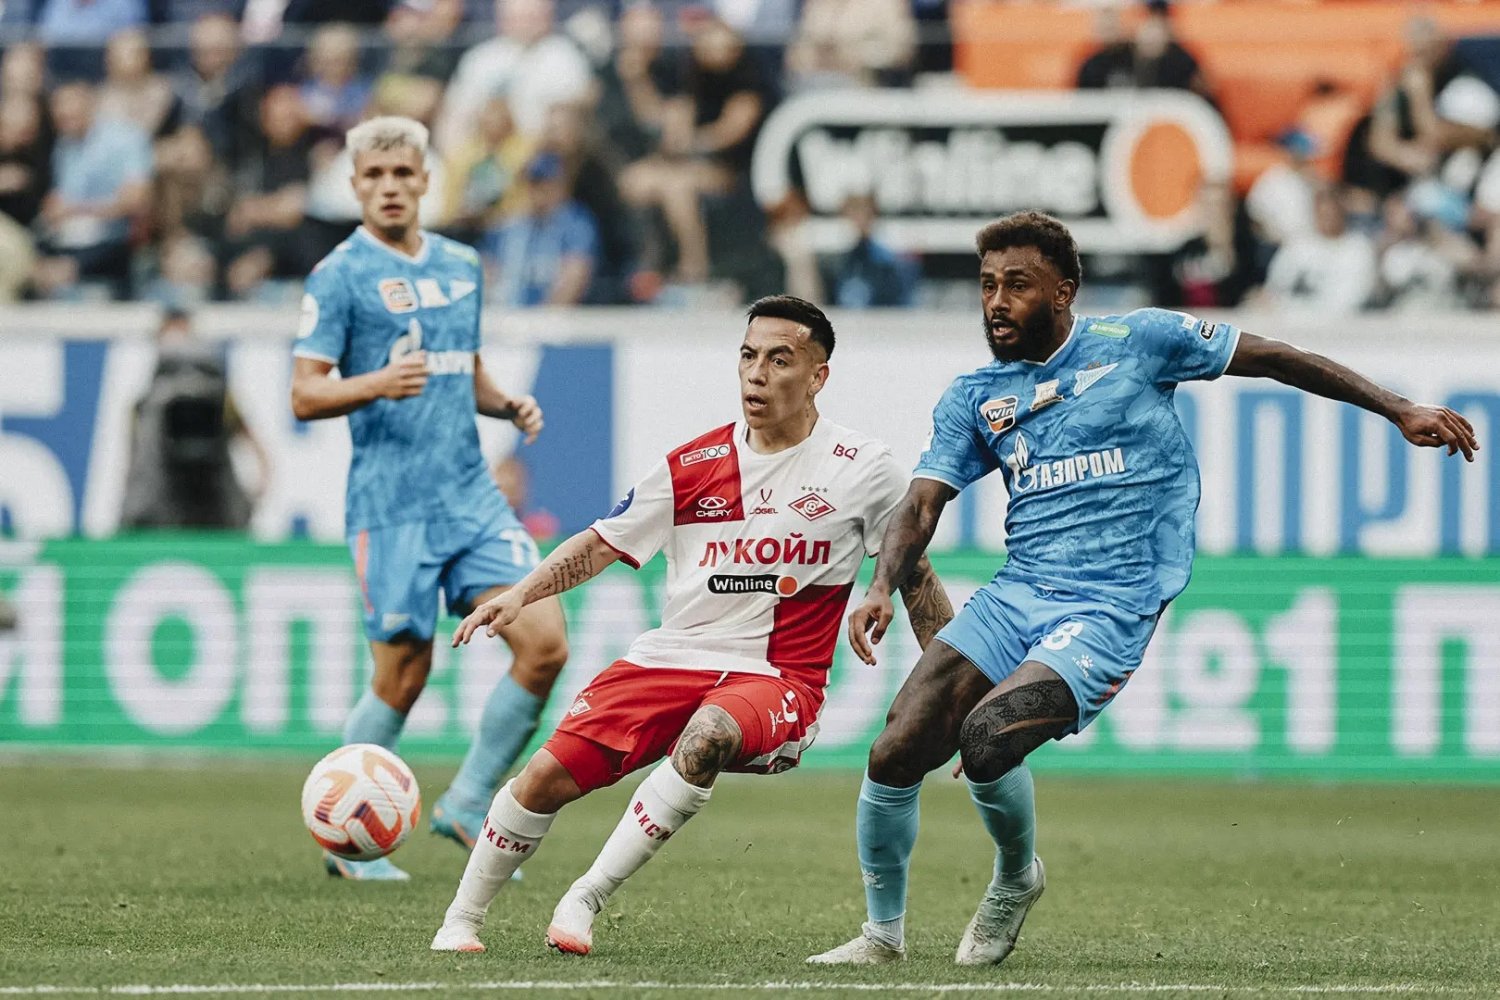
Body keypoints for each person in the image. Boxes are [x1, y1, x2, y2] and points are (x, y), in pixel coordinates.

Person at [807, 211, 1478, 967]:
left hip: (1111, 601)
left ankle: (1015, 877)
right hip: (1019, 590)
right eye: (987, 285)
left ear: (1064, 292)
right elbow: (922, 502)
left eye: (1017, 285)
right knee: (895, 748)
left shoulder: (1139, 340)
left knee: (989, 736)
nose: (996, 302)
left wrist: (1397, 408)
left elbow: (1276, 358)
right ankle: (882, 936)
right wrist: (880, 585)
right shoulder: (975, 396)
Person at [429, 295, 954, 955]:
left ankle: (584, 896)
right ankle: (460, 922)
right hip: (669, 658)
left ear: (817, 376)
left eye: (780, 360)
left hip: (778, 676)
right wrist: (520, 595)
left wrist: (955, 695)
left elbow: (916, 578)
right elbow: (601, 543)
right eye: (748, 356)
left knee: (708, 734)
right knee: (543, 777)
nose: (756, 373)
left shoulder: (864, 468)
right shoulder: (691, 465)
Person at [290, 116, 569, 881]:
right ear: (355, 186)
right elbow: (305, 393)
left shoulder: (461, 264)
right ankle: (342, 843)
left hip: (470, 495)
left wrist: (504, 404)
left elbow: (461, 368)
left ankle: (468, 801)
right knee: (402, 676)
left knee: (545, 643)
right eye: (374, 176)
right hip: (392, 504)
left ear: (423, 180)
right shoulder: (338, 276)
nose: (389, 187)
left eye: (402, 174)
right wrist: (376, 382)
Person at [120, 308, 270, 531]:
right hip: (163, 504)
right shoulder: (146, 405)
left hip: (217, 501)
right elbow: (134, 462)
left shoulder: (219, 397)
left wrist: (259, 487)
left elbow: (256, 446)